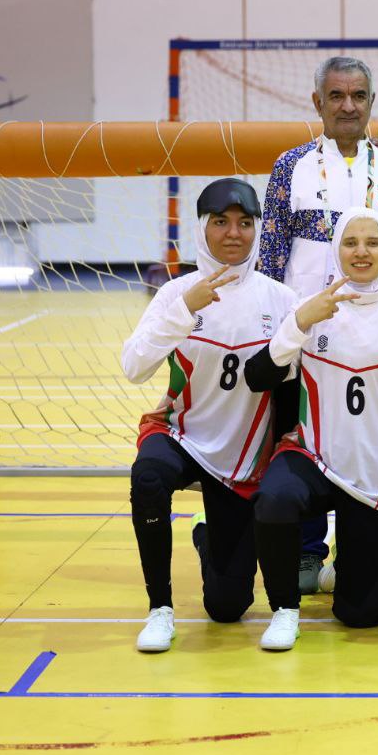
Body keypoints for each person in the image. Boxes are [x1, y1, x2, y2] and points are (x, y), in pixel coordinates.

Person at [259, 56, 378, 592]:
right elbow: (271, 258)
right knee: (304, 441)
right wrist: (281, 335)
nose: (348, 105)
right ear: (318, 104)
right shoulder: (291, 167)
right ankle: (307, 551)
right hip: (309, 342)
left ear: (373, 104)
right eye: (336, 96)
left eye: (358, 96)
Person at [243, 208, 378, 650]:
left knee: (362, 615)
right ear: (337, 250)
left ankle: (341, 571)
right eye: (351, 242)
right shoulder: (311, 309)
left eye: (373, 242)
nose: (361, 251)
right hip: (313, 454)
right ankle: (284, 609)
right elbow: (258, 377)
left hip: (373, 474)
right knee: (275, 497)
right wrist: (298, 323)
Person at [121, 178, 297, 652]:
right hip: (184, 437)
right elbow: (134, 366)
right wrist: (181, 311)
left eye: (244, 223)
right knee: (148, 478)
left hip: (244, 459)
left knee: (227, 607)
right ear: (202, 228)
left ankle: (208, 540)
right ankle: (160, 609)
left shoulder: (280, 299)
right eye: (220, 222)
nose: (233, 233)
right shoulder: (176, 292)